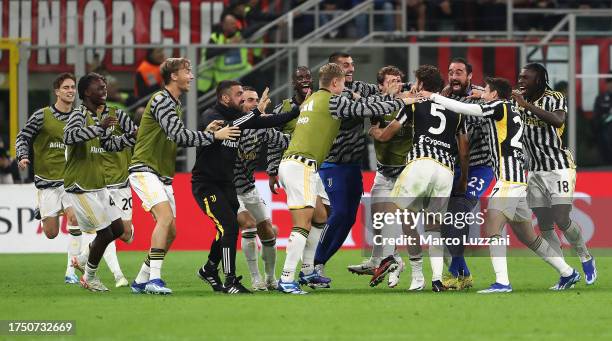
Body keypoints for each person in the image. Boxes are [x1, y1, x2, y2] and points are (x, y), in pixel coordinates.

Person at [426, 77, 582, 292]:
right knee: (529, 237)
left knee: (492, 226)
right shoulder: (509, 107)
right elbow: (486, 100)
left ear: (494, 95)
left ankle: (502, 282)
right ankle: (568, 272)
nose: (484, 94)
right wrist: (482, 94)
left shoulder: (499, 107)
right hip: (517, 178)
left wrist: (433, 97)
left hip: (508, 180)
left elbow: (464, 108)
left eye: (487, 91)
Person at [277, 63, 408, 294]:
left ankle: (308, 270)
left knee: (320, 217)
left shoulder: (312, 99)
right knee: (302, 225)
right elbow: (364, 109)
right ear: (336, 82)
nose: (344, 87)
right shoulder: (332, 100)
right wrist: (401, 102)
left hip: (301, 165)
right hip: (301, 166)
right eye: (342, 83)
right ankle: (287, 278)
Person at [128, 58, 239, 295]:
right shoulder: (161, 100)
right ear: (174, 76)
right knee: (165, 219)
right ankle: (154, 280)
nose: (191, 76)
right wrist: (214, 136)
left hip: (162, 174)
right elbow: (178, 136)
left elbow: (177, 135)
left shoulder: (174, 103)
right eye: (187, 71)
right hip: (144, 168)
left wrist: (204, 133)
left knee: (171, 231)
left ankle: (140, 279)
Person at [194, 81, 298, 294]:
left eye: (250, 97)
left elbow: (276, 125)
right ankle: (239, 279)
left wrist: (298, 109)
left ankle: (211, 268)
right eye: (241, 95)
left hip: (236, 186)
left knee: (231, 228)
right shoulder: (213, 116)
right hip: (210, 183)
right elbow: (229, 125)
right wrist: (257, 114)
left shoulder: (247, 123)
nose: (244, 99)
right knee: (235, 226)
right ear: (226, 98)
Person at [369, 65, 466, 292]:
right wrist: (463, 178)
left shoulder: (414, 105)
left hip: (420, 163)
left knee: (405, 219)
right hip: (446, 169)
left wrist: (375, 132)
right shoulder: (455, 110)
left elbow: (387, 134)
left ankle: (416, 274)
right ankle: (437, 279)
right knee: (434, 227)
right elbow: (463, 150)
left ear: (421, 84)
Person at [512, 63, 597, 286]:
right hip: (535, 170)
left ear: (538, 80)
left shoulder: (555, 97)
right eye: (520, 78)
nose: (521, 81)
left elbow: (558, 120)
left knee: (561, 218)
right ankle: (566, 273)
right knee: (545, 224)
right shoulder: (518, 99)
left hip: (559, 167)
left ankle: (585, 255)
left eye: (525, 78)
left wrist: (526, 106)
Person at [347, 66, 422, 291]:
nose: (396, 83)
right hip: (383, 171)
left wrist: (377, 132)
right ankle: (379, 260)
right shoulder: (377, 104)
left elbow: (380, 133)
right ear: (380, 85)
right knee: (378, 220)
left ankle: (407, 267)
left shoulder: (410, 102)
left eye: (398, 80)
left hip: (406, 171)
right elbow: (361, 105)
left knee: (405, 224)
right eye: (390, 81)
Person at [64, 72, 134, 292]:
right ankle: (89, 277)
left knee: (117, 229)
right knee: (104, 233)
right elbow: (68, 137)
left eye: (105, 87)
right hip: (80, 186)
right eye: (99, 88)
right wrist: (99, 128)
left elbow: (109, 145)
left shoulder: (98, 116)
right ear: (86, 92)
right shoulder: (78, 114)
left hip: (99, 184)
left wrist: (133, 136)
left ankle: (83, 260)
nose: (104, 90)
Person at [15, 73, 82, 284]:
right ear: (57, 92)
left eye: (73, 87)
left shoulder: (80, 116)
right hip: (47, 181)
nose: (70, 91)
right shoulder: (41, 116)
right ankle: (45, 210)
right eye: (66, 88)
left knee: (75, 220)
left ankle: (71, 271)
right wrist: (23, 155)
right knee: (51, 232)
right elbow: (23, 136)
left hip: (71, 179)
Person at [440, 57, 490, 290]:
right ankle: (465, 273)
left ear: (469, 76)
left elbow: (507, 104)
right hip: (455, 167)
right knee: (446, 221)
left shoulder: (481, 95)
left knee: (458, 212)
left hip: (481, 166)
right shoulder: (445, 97)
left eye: (459, 72)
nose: (454, 76)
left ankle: (452, 273)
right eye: (451, 72)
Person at [235, 86, 288, 291]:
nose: (254, 104)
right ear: (240, 103)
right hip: (229, 189)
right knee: (248, 224)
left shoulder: (261, 128)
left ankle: (270, 277)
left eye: (256, 100)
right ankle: (255, 278)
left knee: (267, 229)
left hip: (249, 188)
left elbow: (285, 141)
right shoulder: (231, 127)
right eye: (249, 100)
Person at [197, 13, 252, 94]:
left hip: (242, 76)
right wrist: (229, 46)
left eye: (235, 23)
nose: (235, 26)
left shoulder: (240, 34)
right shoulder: (215, 37)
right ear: (224, 25)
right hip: (220, 82)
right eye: (232, 24)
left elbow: (254, 28)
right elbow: (209, 54)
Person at [593, 76, 612, 164]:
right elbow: (596, 119)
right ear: (607, 84)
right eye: (609, 82)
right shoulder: (600, 99)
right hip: (605, 134)